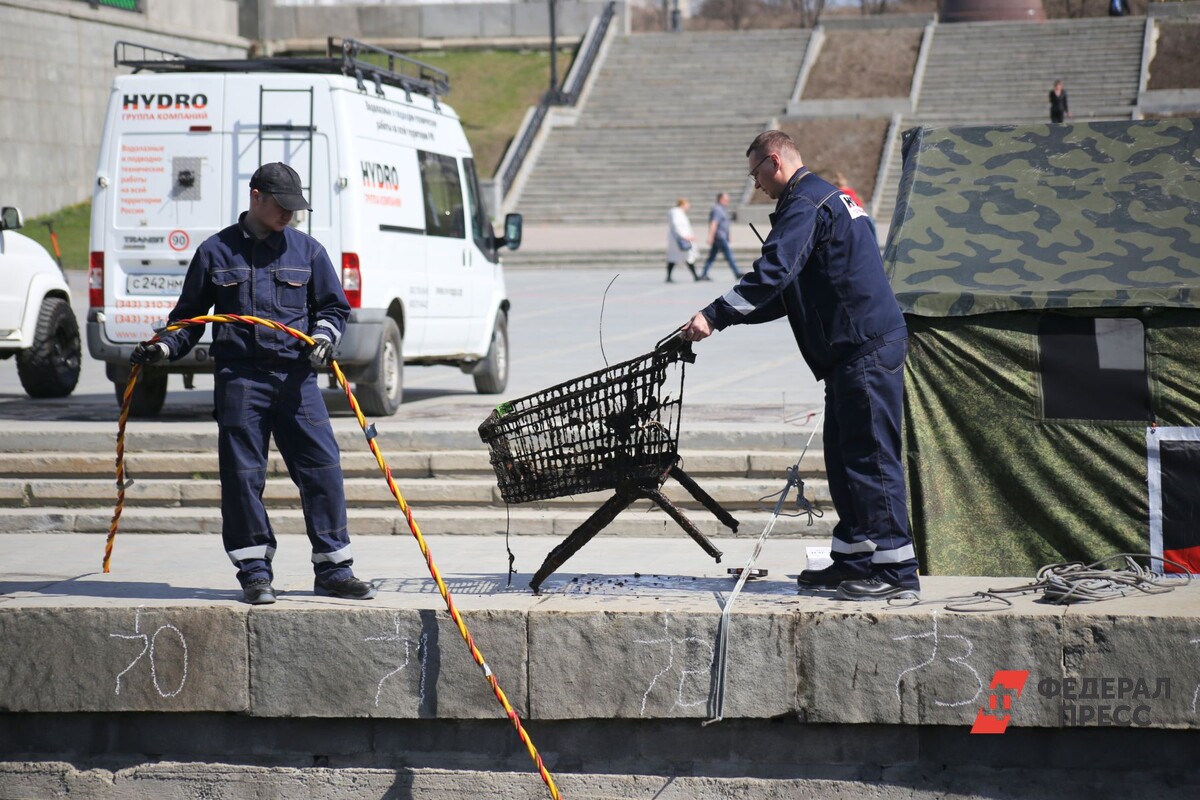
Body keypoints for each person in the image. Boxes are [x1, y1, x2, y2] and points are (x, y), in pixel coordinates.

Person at [680, 130, 918, 601]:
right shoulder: (821, 198)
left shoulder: (805, 204)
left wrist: (713, 315)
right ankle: (854, 556)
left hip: (865, 348)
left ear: (774, 161)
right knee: (845, 457)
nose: (756, 186)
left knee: (871, 456)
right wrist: (725, 320)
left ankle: (896, 572)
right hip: (852, 352)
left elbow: (772, 273)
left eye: (756, 175)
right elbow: (787, 291)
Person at [131, 162, 376, 605]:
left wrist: (324, 337)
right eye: (282, 206)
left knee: (323, 470)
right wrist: (163, 349)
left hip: (297, 380)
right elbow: (187, 321)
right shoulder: (214, 252)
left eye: (295, 208)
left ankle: (334, 569)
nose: (289, 215)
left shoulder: (308, 251)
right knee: (243, 478)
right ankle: (255, 572)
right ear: (256, 196)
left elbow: (335, 310)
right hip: (240, 380)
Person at [699, 192, 742, 281]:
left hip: (722, 236)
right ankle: (737, 272)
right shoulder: (717, 209)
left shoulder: (723, 209)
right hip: (719, 237)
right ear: (721, 200)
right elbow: (714, 224)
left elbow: (725, 224)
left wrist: (729, 235)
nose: (728, 201)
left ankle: (704, 273)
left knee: (712, 256)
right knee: (729, 255)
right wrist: (710, 236)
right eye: (726, 200)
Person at [834, 171, 878, 246]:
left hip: (859, 213)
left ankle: (874, 244)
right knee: (870, 228)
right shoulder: (841, 192)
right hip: (856, 215)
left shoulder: (848, 191)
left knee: (871, 226)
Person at [665, 198, 698, 283]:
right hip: (680, 240)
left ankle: (669, 277)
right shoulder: (677, 213)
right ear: (682, 204)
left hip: (679, 240)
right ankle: (695, 276)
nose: (688, 207)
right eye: (687, 205)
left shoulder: (678, 213)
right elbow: (677, 225)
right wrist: (685, 236)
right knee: (687, 257)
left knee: (674, 258)